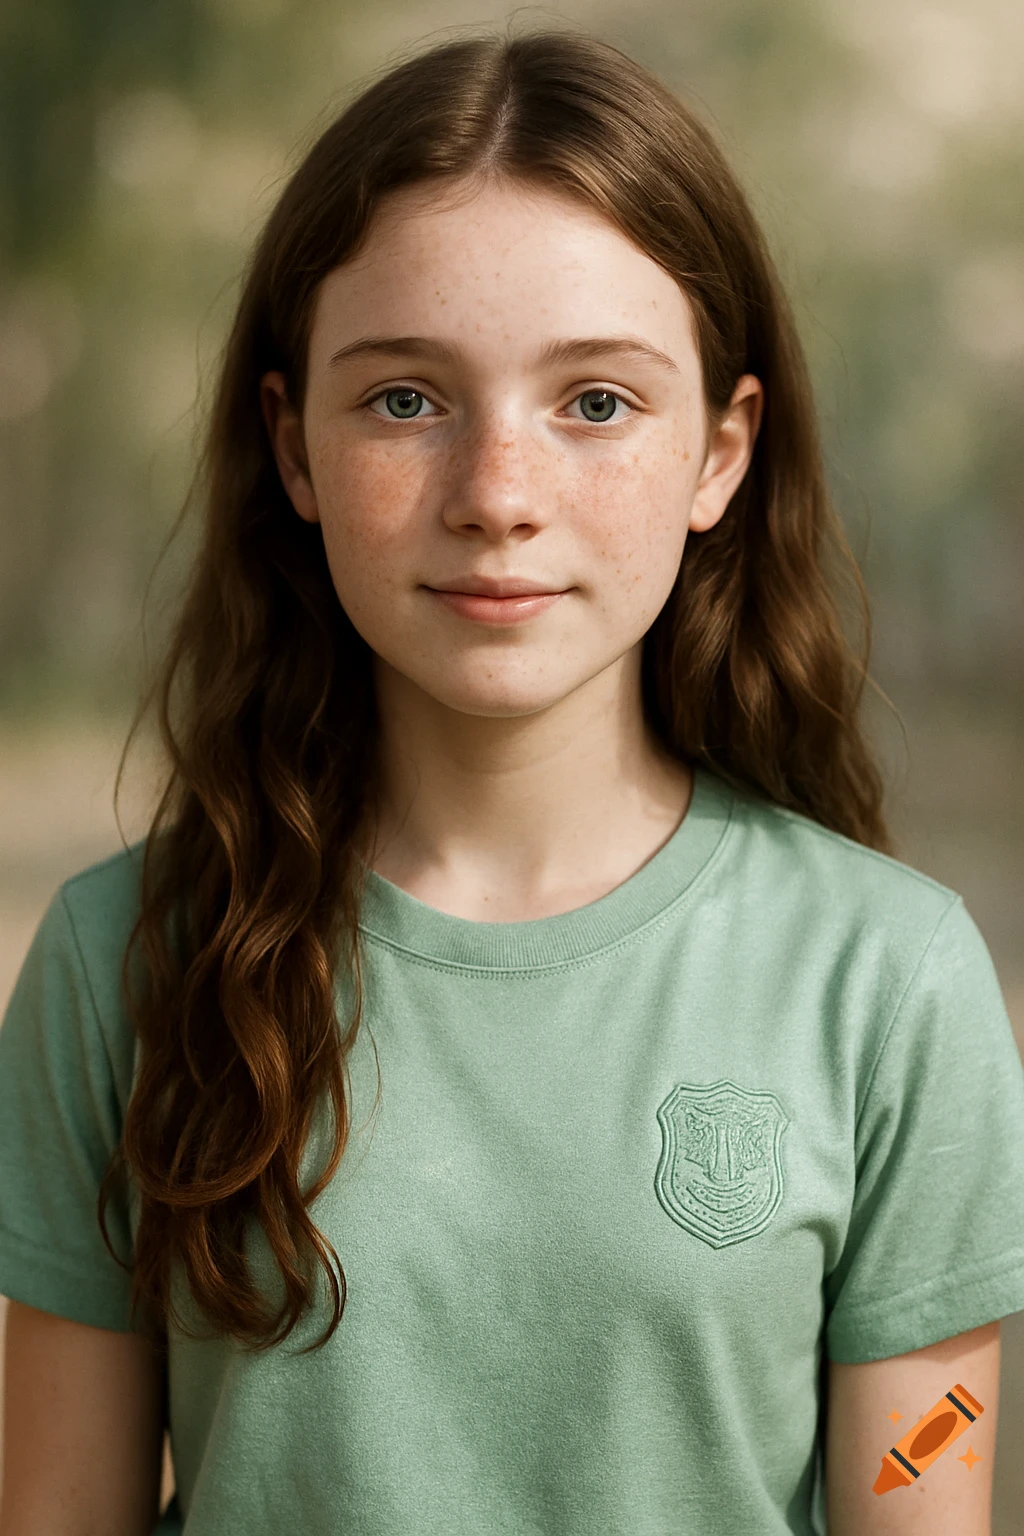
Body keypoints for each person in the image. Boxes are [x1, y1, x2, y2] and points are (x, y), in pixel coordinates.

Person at [0, 27, 1022, 1536]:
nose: (498, 496)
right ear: (291, 447)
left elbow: (922, 1478)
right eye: (406, 400)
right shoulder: (123, 963)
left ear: (720, 454)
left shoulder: (891, 979)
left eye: (596, 403)